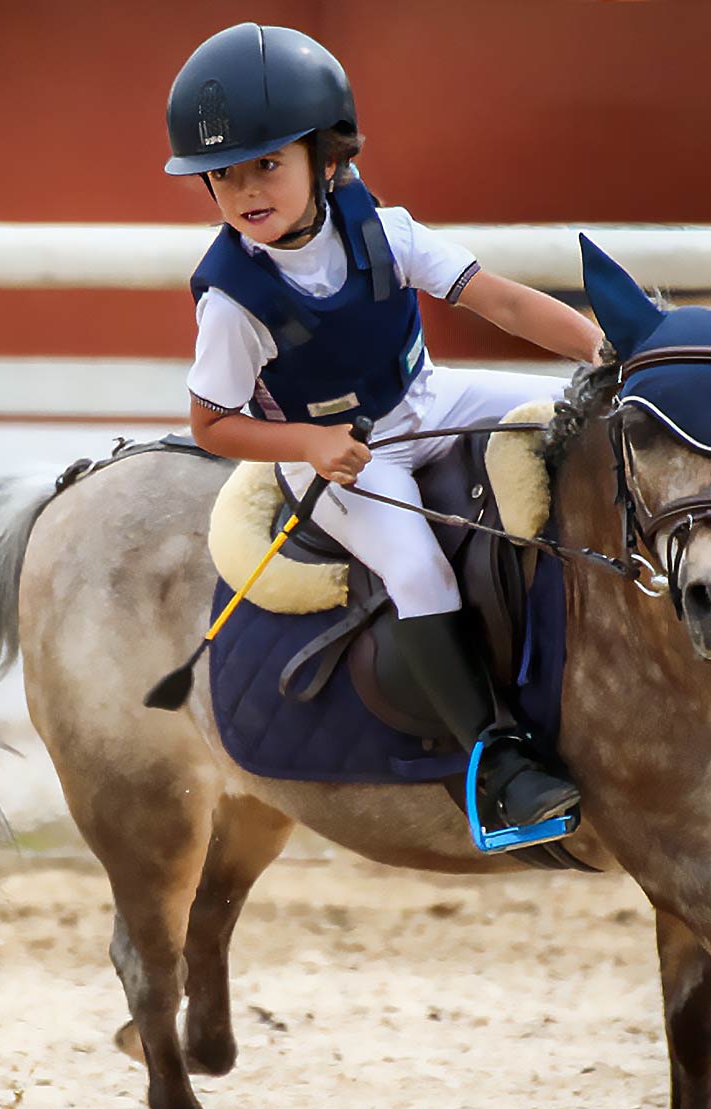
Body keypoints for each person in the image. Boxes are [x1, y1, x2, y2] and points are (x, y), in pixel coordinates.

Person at [169, 22, 603, 830]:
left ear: (326, 156)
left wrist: (606, 349)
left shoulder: (385, 230)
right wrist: (307, 444)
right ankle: (496, 760)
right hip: (338, 456)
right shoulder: (232, 300)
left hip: (427, 398)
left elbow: (498, 300)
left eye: (267, 163)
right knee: (417, 570)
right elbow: (210, 425)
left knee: (573, 413)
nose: (245, 192)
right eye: (223, 177)